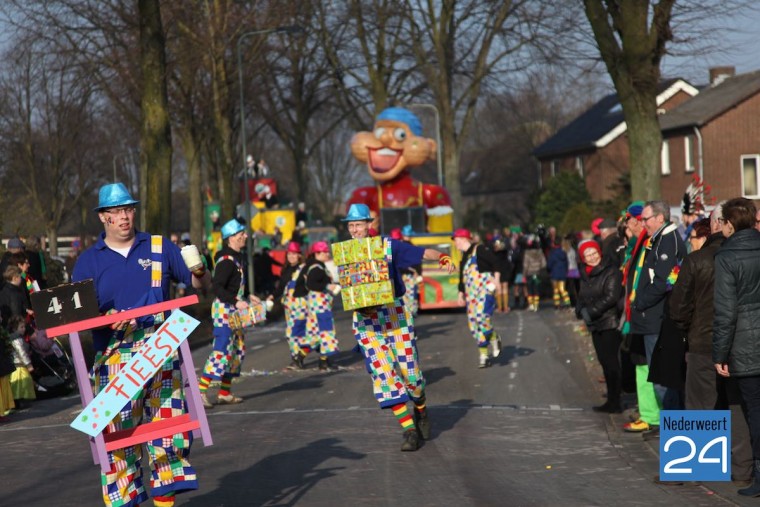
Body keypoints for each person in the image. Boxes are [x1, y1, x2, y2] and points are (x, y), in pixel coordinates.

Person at [72, 182, 211, 507]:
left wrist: (201, 269)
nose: (124, 217)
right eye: (117, 211)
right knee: (117, 442)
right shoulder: (88, 262)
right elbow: (75, 317)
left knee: (169, 431)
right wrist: (106, 318)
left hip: (161, 350)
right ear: (103, 217)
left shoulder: (160, 247)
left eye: (129, 209)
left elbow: (199, 284)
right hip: (114, 358)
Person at [343, 203, 455, 451]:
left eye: (358, 225)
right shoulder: (345, 253)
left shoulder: (388, 246)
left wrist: (443, 256)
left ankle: (421, 410)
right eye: (351, 225)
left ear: (368, 225)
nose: (354, 230)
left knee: (412, 377)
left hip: (395, 317)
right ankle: (409, 431)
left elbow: (421, 253)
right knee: (384, 376)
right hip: (365, 323)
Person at [670, 209, 753, 485]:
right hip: (741, 343)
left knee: (699, 405)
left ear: (717, 224)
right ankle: (742, 470)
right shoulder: (747, 256)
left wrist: (688, 328)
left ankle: (698, 469)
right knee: (737, 406)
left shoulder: (697, 260)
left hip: (703, 341)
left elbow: (678, 307)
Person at [713, 197, 760, 496]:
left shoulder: (726, 257)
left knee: (754, 410)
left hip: (744, 344)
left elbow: (725, 312)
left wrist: (719, 354)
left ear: (729, 224)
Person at [198, 219, 260, 409]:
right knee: (222, 350)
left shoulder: (238, 257)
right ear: (232, 237)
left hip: (235, 310)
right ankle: (200, 392)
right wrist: (235, 301)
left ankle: (225, 392)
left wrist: (249, 295)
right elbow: (217, 287)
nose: (246, 236)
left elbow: (235, 285)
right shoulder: (225, 261)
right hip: (225, 310)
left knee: (237, 351)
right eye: (242, 233)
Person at [630, 200, 685, 412]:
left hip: (657, 318)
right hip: (652, 318)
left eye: (645, 219)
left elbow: (663, 281)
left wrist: (640, 302)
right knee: (660, 377)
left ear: (660, 218)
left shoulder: (667, 241)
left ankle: (675, 429)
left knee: (663, 379)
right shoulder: (658, 239)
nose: (642, 223)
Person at [576, 240, 623, 413]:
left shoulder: (611, 271)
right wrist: (580, 309)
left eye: (593, 253)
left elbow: (611, 296)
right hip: (594, 324)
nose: (592, 257)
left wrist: (592, 311)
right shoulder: (586, 274)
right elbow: (582, 295)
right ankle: (610, 399)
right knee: (603, 361)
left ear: (599, 252)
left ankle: (616, 401)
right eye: (587, 255)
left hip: (609, 322)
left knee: (611, 362)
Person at [453, 228, 502, 368]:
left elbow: (496, 262)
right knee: (473, 324)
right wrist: (460, 294)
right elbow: (462, 278)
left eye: (456, 240)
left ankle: (493, 337)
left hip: (484, 290)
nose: (455, 244)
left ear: (463, 239)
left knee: (482, 317)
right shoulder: (464, 257)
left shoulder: (479, 250)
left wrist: (497, 280)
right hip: (471, 293)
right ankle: (484, 355)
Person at [294, 241, 340, 371]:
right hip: (321, 308)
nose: (327, 254)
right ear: (317, 253)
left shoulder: (315, 266)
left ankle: (313, 359)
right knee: (325, 333)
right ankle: (320, 361)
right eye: (325, 252)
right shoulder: (317, 267)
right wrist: (327, 286)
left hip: (317, 307)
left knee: (317, 335)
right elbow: (312, 284)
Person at [269, 242, 307, 369]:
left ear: (299, 255)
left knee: (294, 332)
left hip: (301, 304)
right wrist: (272, 296)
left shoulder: (304, 269)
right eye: (289, 254)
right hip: (288, 306)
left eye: (294, 254)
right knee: (293, 333)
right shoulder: (285, 270)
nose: (291, 256)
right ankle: (296, 357)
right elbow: (280, 287)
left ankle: (298, 357)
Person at [8, 315, 35, 407]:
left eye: (24, 327)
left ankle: (20, 401)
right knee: (22, 383)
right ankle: (20, 401)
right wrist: (28, 364)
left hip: (16, 364)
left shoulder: (14, 337)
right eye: (21, 327)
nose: (24, 329)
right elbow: (21, 352)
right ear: (15, 328)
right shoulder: (17, 338)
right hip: (19, 365)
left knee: (19, 384)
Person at [522, 234, 546, 312]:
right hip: (537, 273)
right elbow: (544, 263)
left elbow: (525, 265)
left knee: (530, 289)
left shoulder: (527, 253)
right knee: (536, 289)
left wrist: (524, 274)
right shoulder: (540, 252)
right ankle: (536, 305)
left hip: (529, 273)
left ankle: (531, 305)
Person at [546, 238, 570, 309]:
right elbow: (567, 263)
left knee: (556, 290)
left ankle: (557, 304)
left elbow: (549, 264)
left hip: (554, 273)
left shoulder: (552, 253)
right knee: (562, 289)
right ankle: (567, 302)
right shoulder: (564, 252)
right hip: (562, 273)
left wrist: (549, 270)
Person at [492, 237, 513, 313]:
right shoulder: (505, 252)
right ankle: (505, 307)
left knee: (499, 289)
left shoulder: (495, 253)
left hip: (498, 271)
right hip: (505, 270)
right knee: (504, 288)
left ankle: (501, 307)